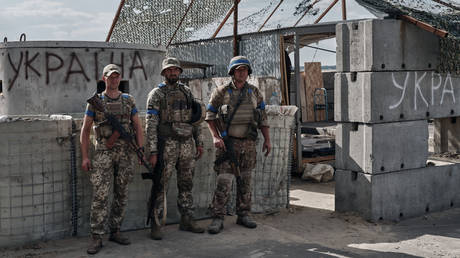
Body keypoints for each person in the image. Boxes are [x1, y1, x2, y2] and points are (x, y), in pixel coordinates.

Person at [80, 64, 144, 254]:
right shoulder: (95, 101)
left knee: (121, 193)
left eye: (116, 77)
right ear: (104, 79)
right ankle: (96, 236)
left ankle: (115, 230)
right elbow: (85, 131)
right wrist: (85, 157)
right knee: (101, 194)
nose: (114, 80)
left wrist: (140, 150)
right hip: (103, 153)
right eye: (110, 77)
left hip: (125, 153)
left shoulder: (128, 100)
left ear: (120, 78)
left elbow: (138, 127)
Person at [205, 56, 271, 234]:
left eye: (244, 70)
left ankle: (243, 214)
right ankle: (217, 217)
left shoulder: (254, 92)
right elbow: (210, 116)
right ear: (232, 72)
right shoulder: (222, 92)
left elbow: (263, 118)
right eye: (238, 70)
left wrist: (267, 140)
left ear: (248, 72)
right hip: (228, 144)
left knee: (245, 182)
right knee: (223, 182)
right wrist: (215, 137)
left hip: (248, 144)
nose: (241, 73)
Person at [145, 57, 205, 240]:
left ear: (179, 72)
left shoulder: (186, 92)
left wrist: (199, 142)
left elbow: (195, 118)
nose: (173, 73)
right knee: (161, 185)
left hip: (187, 144)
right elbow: (151, 125)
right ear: (164, 73)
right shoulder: (156, 94)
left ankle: (186, 218)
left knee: (186, 183)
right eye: (169, 70)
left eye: (175, 70)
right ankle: (156, 223)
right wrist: (153, 151)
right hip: (167, 144)